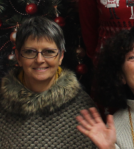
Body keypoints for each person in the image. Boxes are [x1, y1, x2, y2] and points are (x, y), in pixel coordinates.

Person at [0, 16, 95, 148]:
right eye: (29, 52)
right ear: (18, 56)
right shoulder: (2, 103)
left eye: (49, 52)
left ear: (61, 56)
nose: (39, 60)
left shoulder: (82, 107)